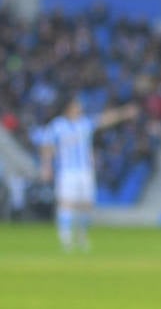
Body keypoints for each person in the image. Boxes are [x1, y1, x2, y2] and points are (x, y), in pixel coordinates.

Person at [36, 96, 137, 251]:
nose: (79, 108)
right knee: (66, 203)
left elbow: (104, 120)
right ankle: (66, 238)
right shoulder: (57, 126)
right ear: (68, 108)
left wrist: (124, 112)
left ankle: (82, 236)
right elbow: (47, 145)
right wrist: (46, 166)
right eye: (76, 105)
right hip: (67, 171)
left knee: (86, 205)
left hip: (85, 170)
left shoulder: (84, 123)